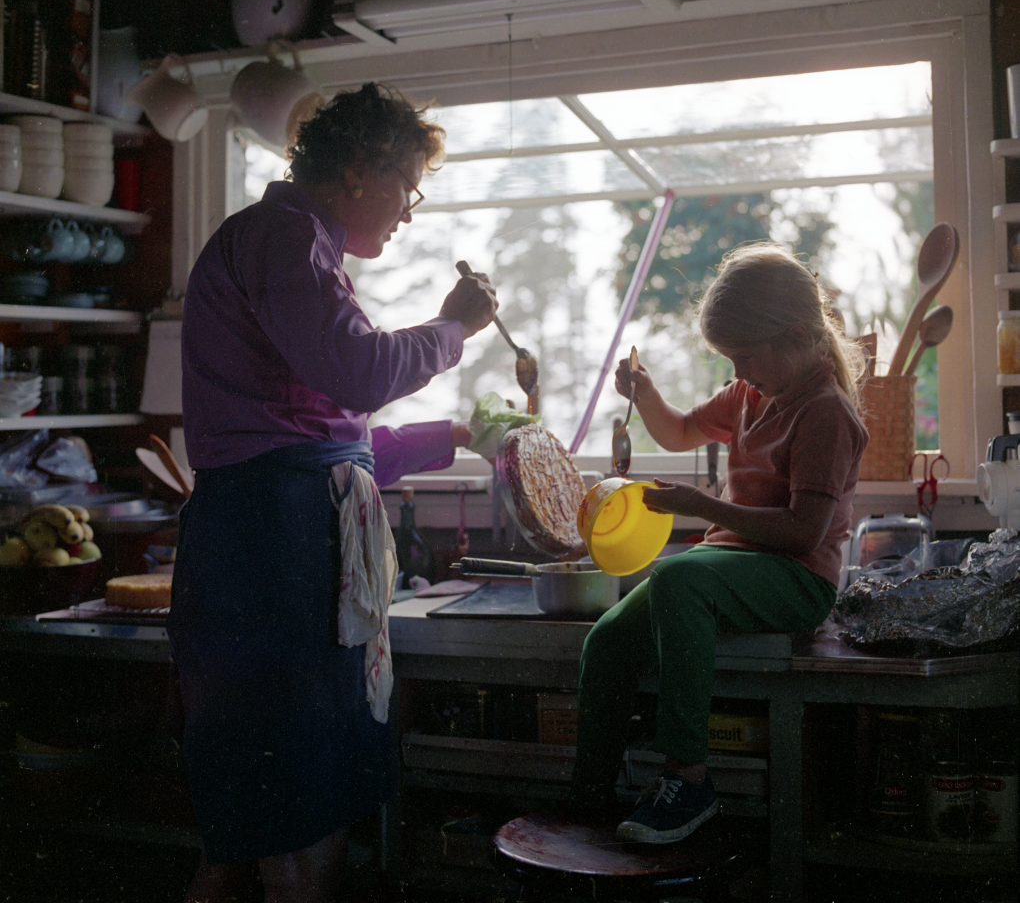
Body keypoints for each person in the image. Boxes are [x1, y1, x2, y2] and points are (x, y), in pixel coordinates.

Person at [166, 83, 497, 902]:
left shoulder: (292, 246)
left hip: (270, 538)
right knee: (297, 823)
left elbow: (325, 442)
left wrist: (449, 436)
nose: (409, 212)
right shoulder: (284, 239)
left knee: (251, 825)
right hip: (271, 554)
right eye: (408, 188)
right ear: (357, 170)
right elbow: (352, 374)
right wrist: (452, 328)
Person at [568, 242, 868, 845]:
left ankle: (690, 779)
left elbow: (804, 532)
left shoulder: (825, 412)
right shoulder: (751, 396)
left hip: (797, 577)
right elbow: (678, 431)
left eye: (744, 355)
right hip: (727, 564)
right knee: (606, 640)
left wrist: (703, 506)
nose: (736, 372)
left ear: (797, 335)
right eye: (729, 357)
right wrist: (646, 391)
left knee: (680, 575)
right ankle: (590, 793)